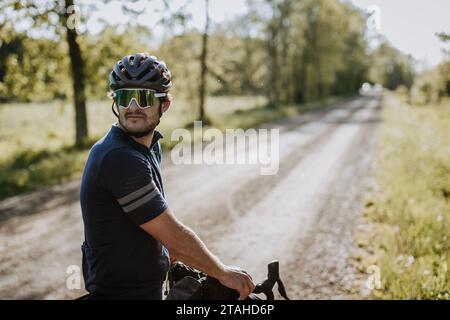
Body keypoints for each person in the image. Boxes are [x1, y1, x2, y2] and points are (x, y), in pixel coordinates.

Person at [79, 53, 255, 300]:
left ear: (165, 104)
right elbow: (175, 238)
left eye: (144, 97)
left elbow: (150, 223)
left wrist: (167, 259)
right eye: (124, 96)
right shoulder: (118, 157)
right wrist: (223, 272)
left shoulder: (148, 147)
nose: (133, 107)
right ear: (114, 101)